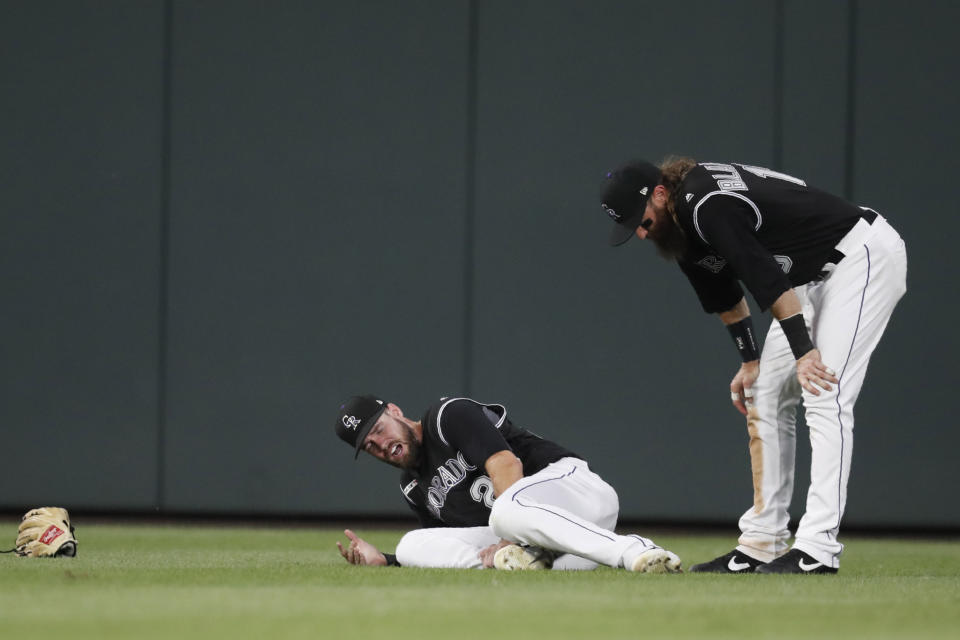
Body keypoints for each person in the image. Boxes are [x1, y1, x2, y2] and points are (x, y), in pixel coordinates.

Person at [598, 158, 907, 574]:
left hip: (858, 257)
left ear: (659, 193)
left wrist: (804, 351)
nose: (640, 232)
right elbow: (723, 293)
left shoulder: (705, 202)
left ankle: (817, 549)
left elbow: (763, 277)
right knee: (764, 392)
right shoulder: (681, 220)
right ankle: (762, 542)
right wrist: (750, 360)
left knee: (823, 391)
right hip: (808, 280)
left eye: (643, 220)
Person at [333, 394, 682, 572]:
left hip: (574, 490)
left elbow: (505, 463)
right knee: (411, 544)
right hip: (560, 545)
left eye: (378, 429)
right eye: (369, 445)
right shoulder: (412, 486)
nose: (380, 445)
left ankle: (635, 550)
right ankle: (523, 562)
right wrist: (389, 561)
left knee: (506, 511)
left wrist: (504, 538)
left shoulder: (445, 415)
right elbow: (447, 544)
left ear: (394, 411)